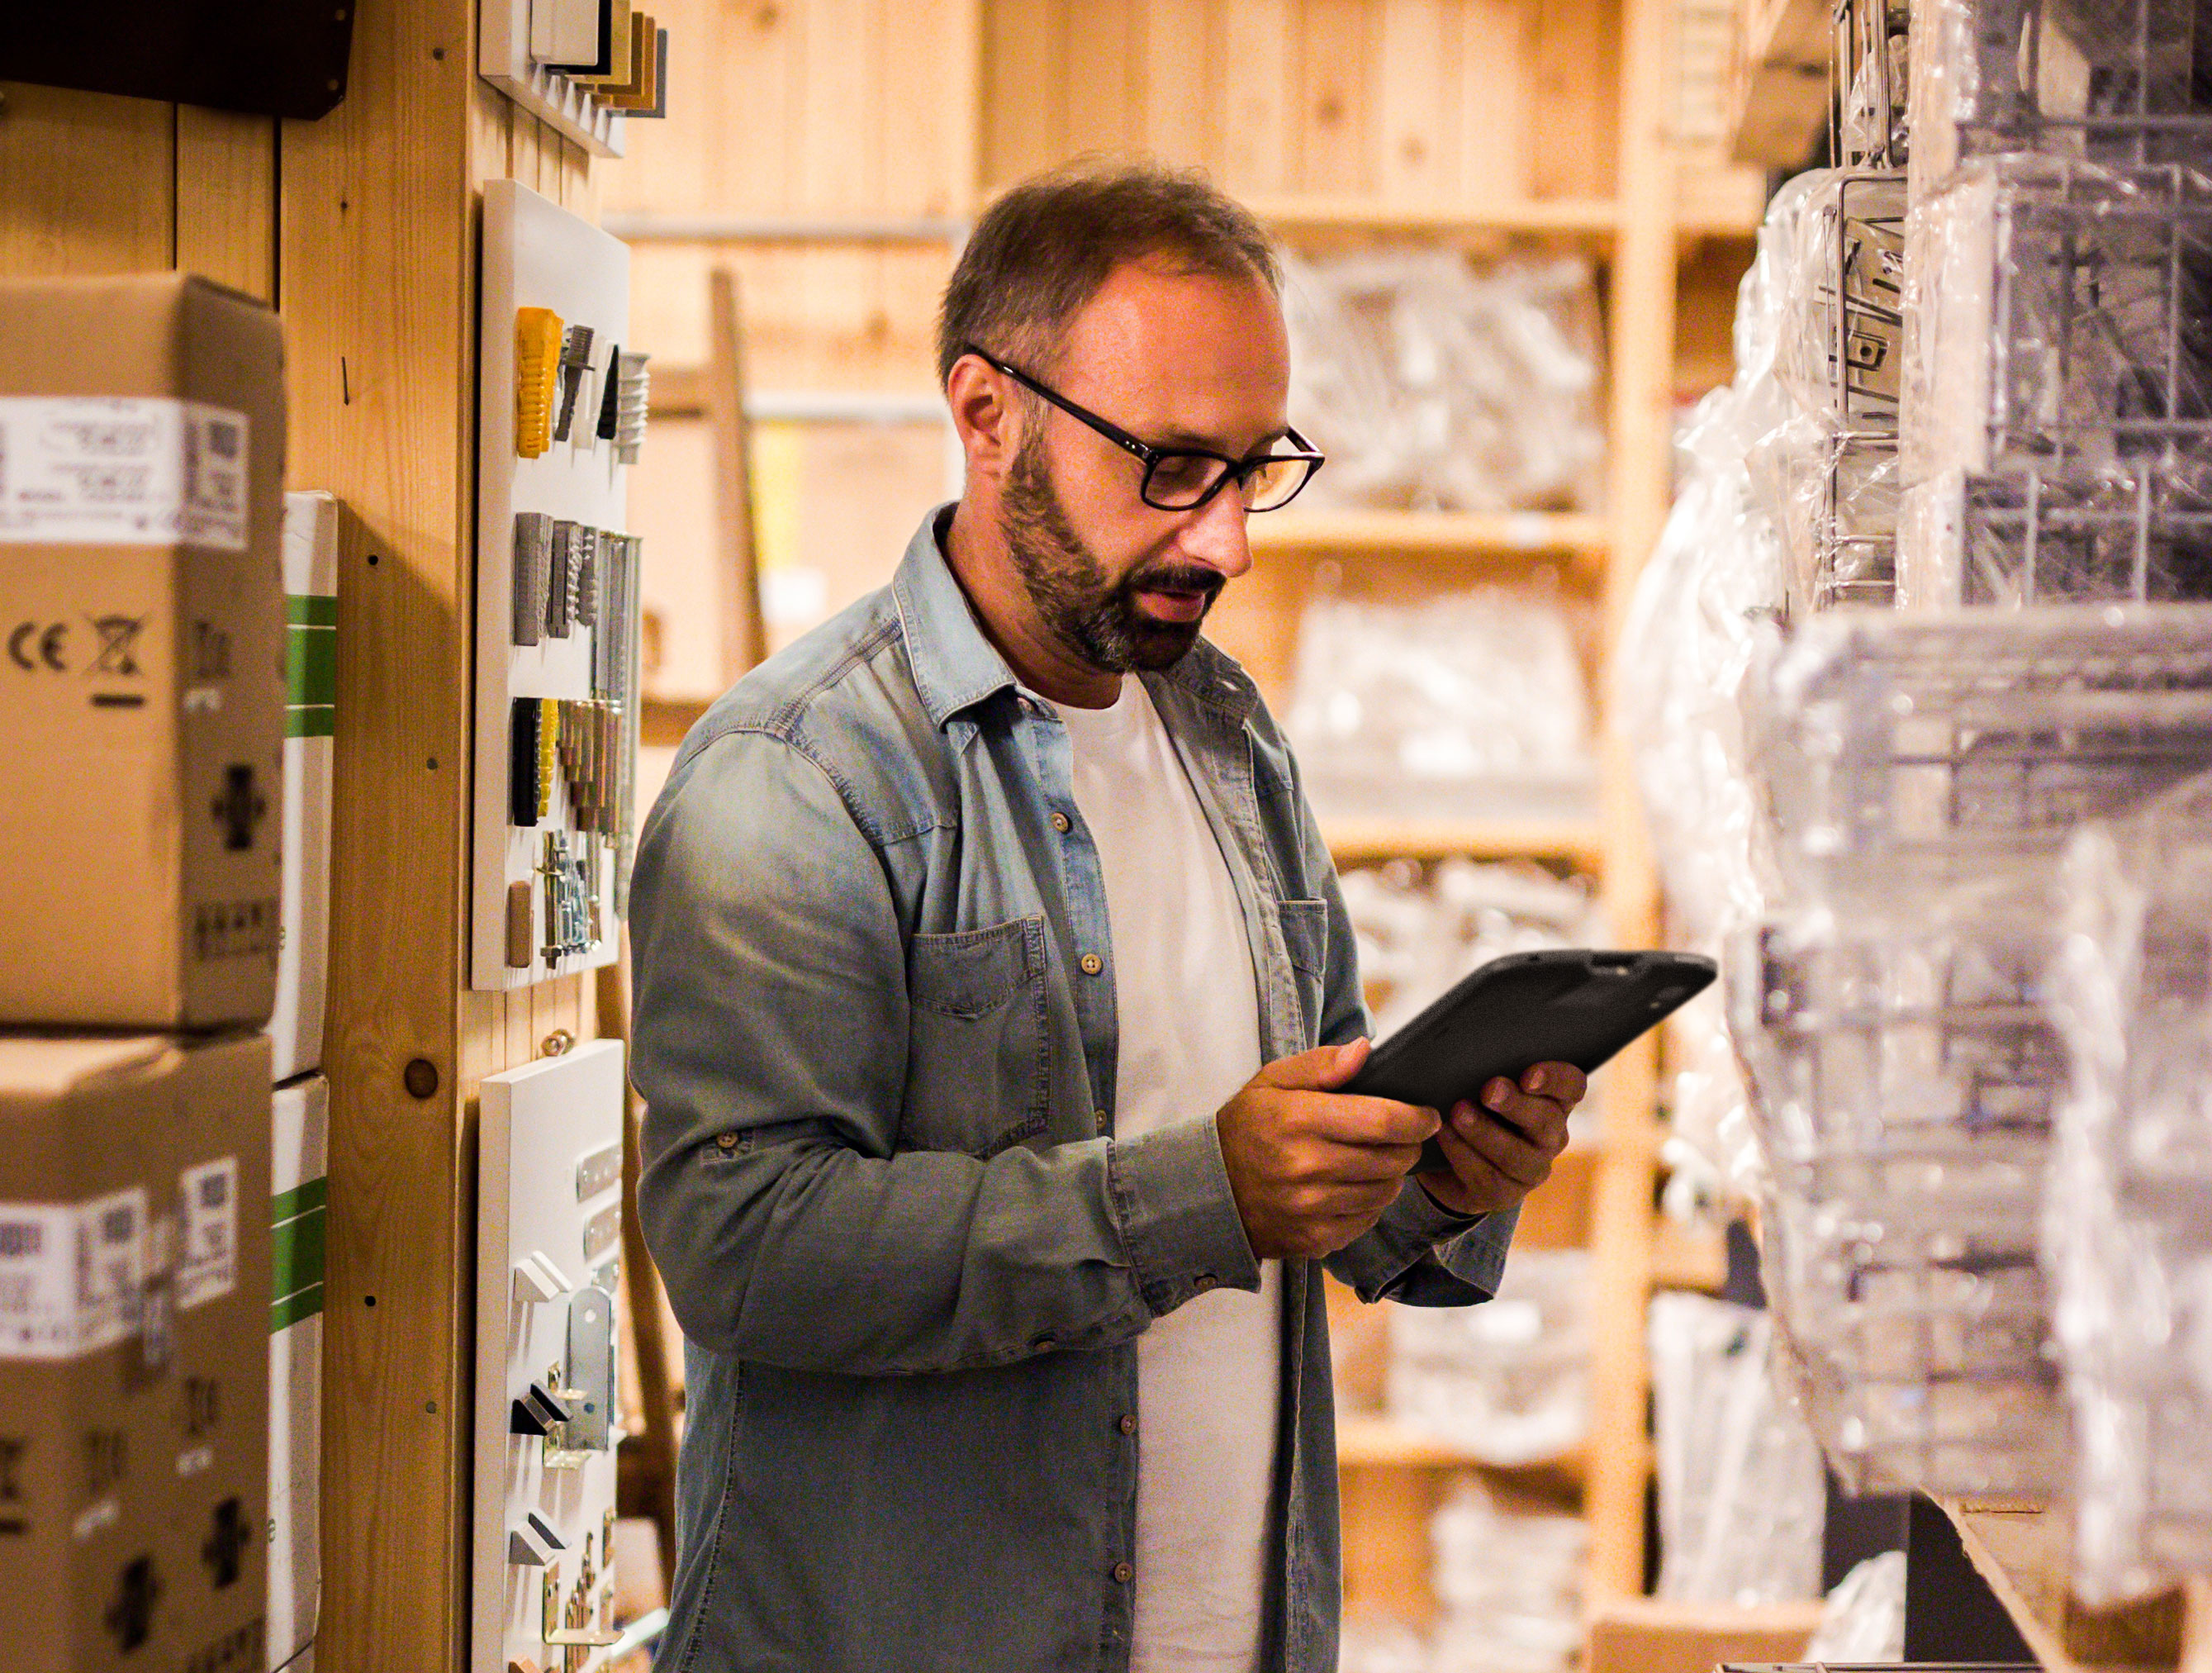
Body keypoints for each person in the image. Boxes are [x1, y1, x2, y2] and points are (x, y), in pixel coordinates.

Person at [628, 161, 1586, 1673]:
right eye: (1170, 466)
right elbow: (741, 1243)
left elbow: (1317, 1174)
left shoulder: (1223, 731)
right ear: (985, 412)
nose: (1227, 543)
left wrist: (1448, 1172)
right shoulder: (797, 778)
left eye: (1256, 468)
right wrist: (1203, 1194)